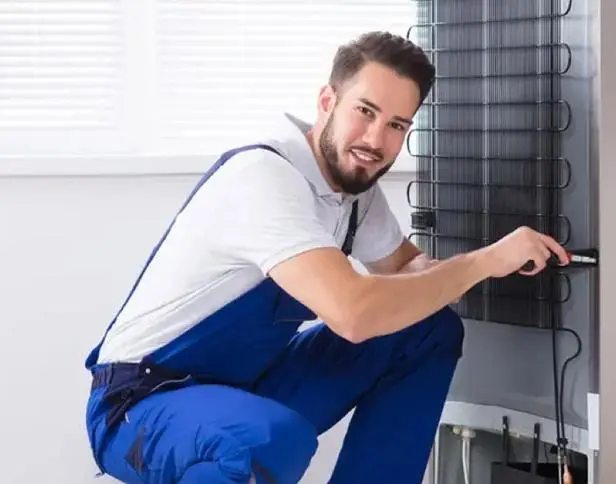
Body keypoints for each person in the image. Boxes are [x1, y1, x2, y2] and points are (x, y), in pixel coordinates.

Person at [83, 31, 569, 484]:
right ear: (327, 102)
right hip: (142, 403)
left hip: (245, 386)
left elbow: (408, 273)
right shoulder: (264, 178)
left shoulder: (353, 195)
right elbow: (354, 314)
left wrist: (495, 258)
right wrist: (484, 261)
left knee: (426, 331)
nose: (376, 140)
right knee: (263, 438)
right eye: (365, 111)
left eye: (396, 125)